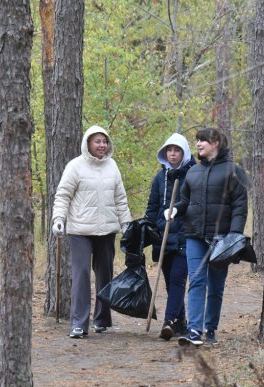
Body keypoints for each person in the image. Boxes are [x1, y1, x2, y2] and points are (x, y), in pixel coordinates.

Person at [167, 128, 248, 347]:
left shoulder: (234, 171)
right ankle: (194, 330)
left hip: (221, 238)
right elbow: (185, 200)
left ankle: (210, 329)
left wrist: (234, 237)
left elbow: (240, 206)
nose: (199, 144)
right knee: (196, 280)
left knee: (216, 285)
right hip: (193, 234)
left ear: (216, 143)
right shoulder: (193, 172)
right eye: (198, 141)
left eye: (203, 140)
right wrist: (174, 210)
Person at [52, 125, 132, 338]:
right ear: (88, 143)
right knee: (82, 274)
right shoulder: (75, 166)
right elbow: (63, 195)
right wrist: (59, 218)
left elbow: (120, 199)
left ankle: (102, 319)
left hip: (106, 230)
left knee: (105, 273)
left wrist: (126, 224)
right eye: (97, 141)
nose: (102, 146)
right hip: (80, 230)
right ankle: (78, 322)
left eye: (104, 142)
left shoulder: (112, 166)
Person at [145, 133, 195, 341]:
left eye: (177, 150)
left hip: (185, 235)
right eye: (169, 150)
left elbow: (195, 204)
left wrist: (179, 213)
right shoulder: (160, 177)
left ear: (184, 152)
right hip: (163, 237)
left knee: (177, 280)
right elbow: (152, 207)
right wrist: (149, 228)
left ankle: (168, 322)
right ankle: (181, 323)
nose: (173, 154)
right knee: (169, 281)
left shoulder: (193, 175)